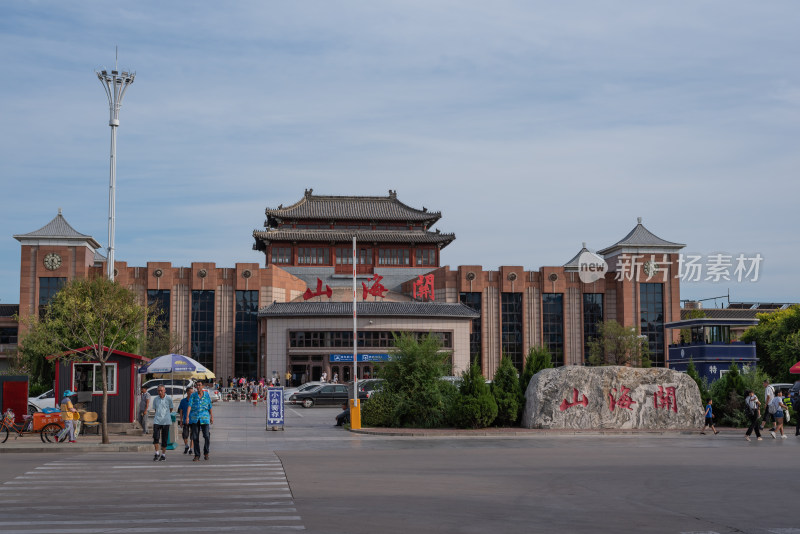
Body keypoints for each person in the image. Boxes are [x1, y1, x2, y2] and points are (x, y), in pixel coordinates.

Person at [187, 381, 213, 462]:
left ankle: (206, 452)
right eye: (196, 385)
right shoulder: (193, 395)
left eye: (199, 385)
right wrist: (187, 417)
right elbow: (189, 406)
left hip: (205, 418)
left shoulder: (206, 395)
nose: (198, 387)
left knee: (207, 436)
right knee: (195, 437)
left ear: (202, 386)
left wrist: (212, 416)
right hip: (195, 418)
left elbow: (210, 406)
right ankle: (197, 455)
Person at [151, 385, 173, 461]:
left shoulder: (169, 399)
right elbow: (155, 409)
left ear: (164, 391)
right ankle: (157, 453)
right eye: (158, 391)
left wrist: (165, 415)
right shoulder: (155, 399)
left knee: (164, 439)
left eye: (161, 390)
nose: (160, 392)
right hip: (157, 421)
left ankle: (163, 454)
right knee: (156, 437)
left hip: (166, 421)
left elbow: (171, 408)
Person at [177, 385, 194, 455]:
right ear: (187, 393)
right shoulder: (183, 401)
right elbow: (181, 411)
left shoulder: (194, 401)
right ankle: (186, 446)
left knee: (193, 436)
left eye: (193, 392)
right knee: (185, 435)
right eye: (191, 392)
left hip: (193, 420)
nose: (192, 394)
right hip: (185, 420)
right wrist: (181, 421)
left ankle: (191, 449)